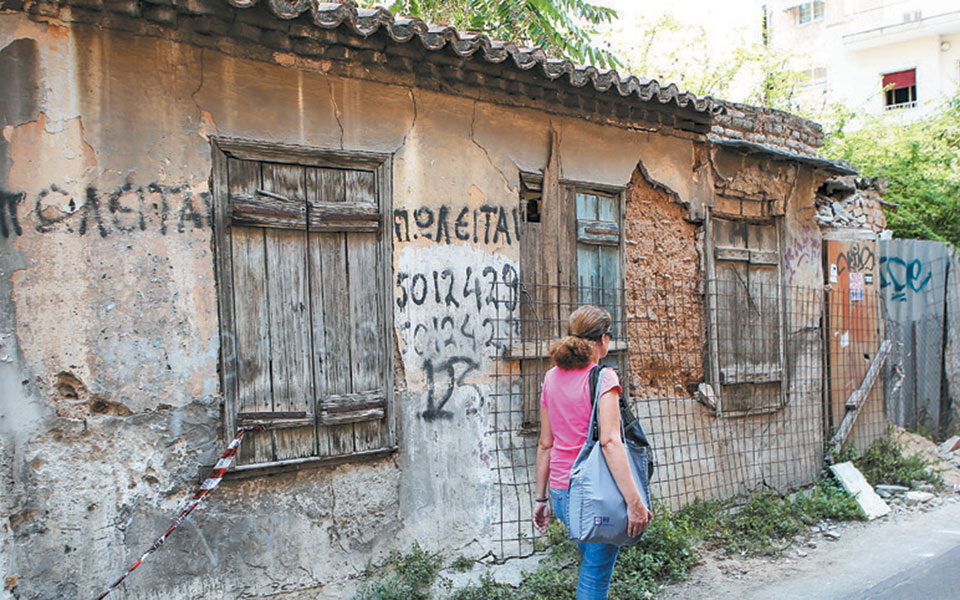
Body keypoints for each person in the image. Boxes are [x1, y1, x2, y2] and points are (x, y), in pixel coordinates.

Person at [532, 305, 652, 600]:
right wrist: (635, 502)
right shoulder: (604, 378)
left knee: (593, 563)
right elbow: (610, 443)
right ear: (604, 339)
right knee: (595, 576)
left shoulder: (551, 377)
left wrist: (541, 499)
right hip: (597, 494)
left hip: (561, 493)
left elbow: (545, 443)